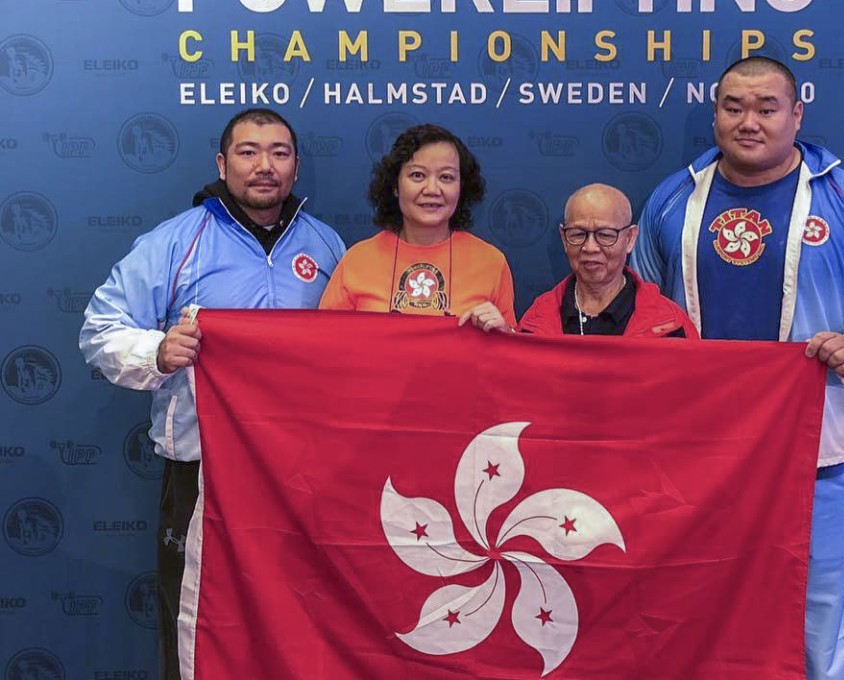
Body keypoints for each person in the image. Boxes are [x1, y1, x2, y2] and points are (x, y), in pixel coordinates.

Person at [631, 57, 844, 679]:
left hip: (812, 456)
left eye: (766, 108)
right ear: (714, 113)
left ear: (796, 115)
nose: (749, 122)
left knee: (816, 614)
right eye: (733, 107)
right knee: (692, 608)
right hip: (698, 456)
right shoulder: (671, 201)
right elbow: (640, 309)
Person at [79, 108, 347, 680]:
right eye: (248, 152)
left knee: (302, 622)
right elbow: (99, 330)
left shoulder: (328, 246)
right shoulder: (177, 240)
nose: (264, 166)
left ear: (296, 167)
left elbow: (356, 351)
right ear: (223, 164)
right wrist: (156, 352)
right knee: (198, 625)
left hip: (304, 476)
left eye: (278, 152)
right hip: (204, 471)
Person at [318, 123, 516, 326]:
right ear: (395, 186)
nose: (432, 189)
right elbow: (326, 343)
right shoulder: (357, 260)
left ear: (461, 188)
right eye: (417, 175)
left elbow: (510, 354)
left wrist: (504, 334)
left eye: (446, 177)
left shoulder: (491, 262)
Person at [462, 183, 697, 338]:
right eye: (578, 234)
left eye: (605, 235)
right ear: (564, 238)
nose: (590, 247)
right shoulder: (536, 321)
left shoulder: (670, 325)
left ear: (630, 238)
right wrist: (504, 342)